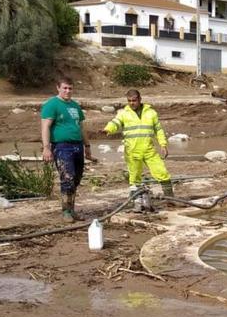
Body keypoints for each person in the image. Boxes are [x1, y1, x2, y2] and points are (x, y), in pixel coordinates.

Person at [103, 89, 172, 212]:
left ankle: (171, 199)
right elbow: (115, 122)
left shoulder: (151, 113)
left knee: (162, 172)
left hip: (148, 149)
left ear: (140, 99)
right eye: (129, 101)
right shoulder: (124, 113)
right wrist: (108, 129)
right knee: (134, 178)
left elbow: (158, 130)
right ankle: (136, 203)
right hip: (132, 151)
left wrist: (163, 144)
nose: (131, 103)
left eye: (134, 100)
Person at [41, 76, 92, 222]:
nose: (68, 91)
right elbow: (45, 126)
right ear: (58, 88)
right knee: (67, 178)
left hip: (77, 146)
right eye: (65, 88)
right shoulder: (52, 105)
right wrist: (46, 148)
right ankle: (66, 212)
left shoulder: (75, 106)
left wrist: (87, 146)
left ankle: (72, 209)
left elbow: (81, 127)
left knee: (76, 179)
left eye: (70, 88)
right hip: (62, 146)